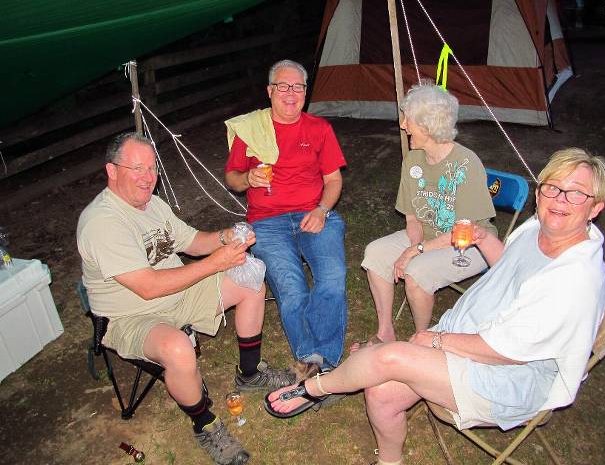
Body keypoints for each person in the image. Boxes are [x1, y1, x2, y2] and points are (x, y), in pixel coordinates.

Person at [266, 148, 605, 465]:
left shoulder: (574, 277)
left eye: (577, 193)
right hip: (475, 337)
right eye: (553, 187)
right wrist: (486, 239)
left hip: (511, 377)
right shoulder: (537, 228)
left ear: (596, 207)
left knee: (389, 357)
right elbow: (510, 271)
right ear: (539, 192)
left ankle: (313, 389)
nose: (561, 199)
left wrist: (436, 340)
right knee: (381, 390)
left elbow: (510, 351)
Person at [77, 132, 297, 465]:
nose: (148, 177)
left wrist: (226, 236)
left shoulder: (151, 203)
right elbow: (148, 287)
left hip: (176, 292)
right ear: (112, 170)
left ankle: (250, 373)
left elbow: (191, 242)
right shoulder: (102, 222)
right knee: (178, 347)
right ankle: (204, 423)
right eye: (137, 168)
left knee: (250, 279)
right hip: (131, 316)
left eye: (152, 168)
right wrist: (215, 263)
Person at [224, 59, 348, 372]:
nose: (290, 93)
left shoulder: (320, 129)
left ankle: (325, 359)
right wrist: (248, 178)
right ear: (269, 91)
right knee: (291, 286)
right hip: (267, 222)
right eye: (282, 86)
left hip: (313, 215)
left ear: (305, 92)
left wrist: (322, 210)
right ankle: (312, 358)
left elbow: (334, 181)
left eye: (298, 87)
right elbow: (233, 178)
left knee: (332, 279)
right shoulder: (251, 130)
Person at [362, 83, 497, 344]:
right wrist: (413, 247)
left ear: (427, 126)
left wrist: (416, 252)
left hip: (470, 244)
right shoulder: (413, 160)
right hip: (428, 233)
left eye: (408, 119)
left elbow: (466, 230)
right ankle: (385, 332)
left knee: (417, 273)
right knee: (375, 253)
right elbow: (412, 217)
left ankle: (420, 340)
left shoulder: (466, 164)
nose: (403, 125)